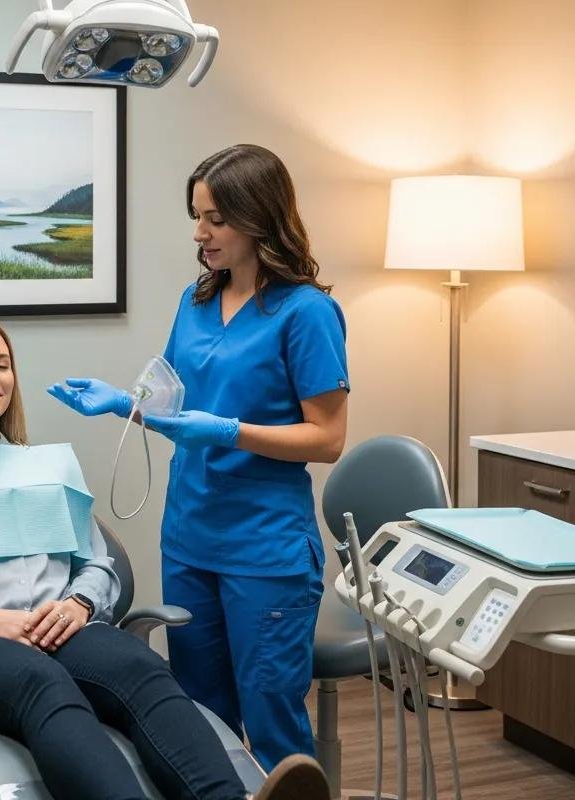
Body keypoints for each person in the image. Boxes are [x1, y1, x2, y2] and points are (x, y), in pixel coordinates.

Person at [0, 312, 331, 800]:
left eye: (2, 364)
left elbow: (96, 564)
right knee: (41, 683)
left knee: (143, 669)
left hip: (59, 629)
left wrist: (79, 605)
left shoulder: (45, 469)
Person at [49, 145, 349, 773]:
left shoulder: (306, 312)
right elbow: (172, 405)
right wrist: (121, 405)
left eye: (214, 218)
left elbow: (327, 438)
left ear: (257, 216)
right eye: (196, 216)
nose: (200, 233)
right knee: (199, 716)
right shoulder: (196, 299)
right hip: (189, 536)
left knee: (271, 723)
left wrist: (230, 430)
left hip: (264, 549)